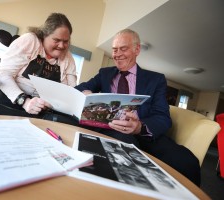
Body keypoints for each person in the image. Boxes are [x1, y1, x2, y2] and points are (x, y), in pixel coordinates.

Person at [75, 29, 201, 186]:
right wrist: (85, 92)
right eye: (114, 49)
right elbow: (79, 89)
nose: (117, 54)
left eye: (123, 48)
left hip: (144, 134)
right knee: (122, 151)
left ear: (137, 49)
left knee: (187, 162)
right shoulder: (105, 74)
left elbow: (162, 117)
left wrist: (139, 127)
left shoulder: (156, 80)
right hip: (112, 131)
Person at [0, 13, 77, 123]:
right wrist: (24, 101)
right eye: (57, 40)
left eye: (65, 41)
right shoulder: (30, 41)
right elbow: (2, 76)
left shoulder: (68, 58)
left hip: (45, 108)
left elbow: (71, 90)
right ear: (45, 34)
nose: (61, 46)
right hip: (14, 98)